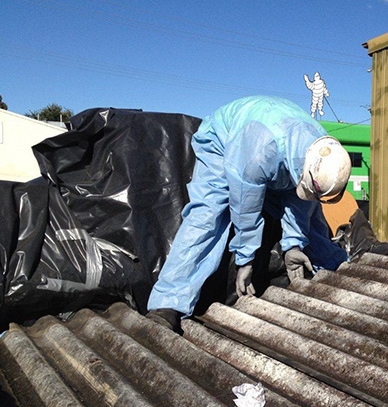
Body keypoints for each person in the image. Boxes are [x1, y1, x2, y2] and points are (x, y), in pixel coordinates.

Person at [147, 96, 352, 332]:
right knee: (208, 215)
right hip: (224, 142)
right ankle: (168, 303)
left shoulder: (320, 149)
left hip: (276, 149)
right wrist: (245, 259)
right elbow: (245, 207)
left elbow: (300, 201)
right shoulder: (259, 153)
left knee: (312, 217)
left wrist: (294, 244)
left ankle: (337, 273)